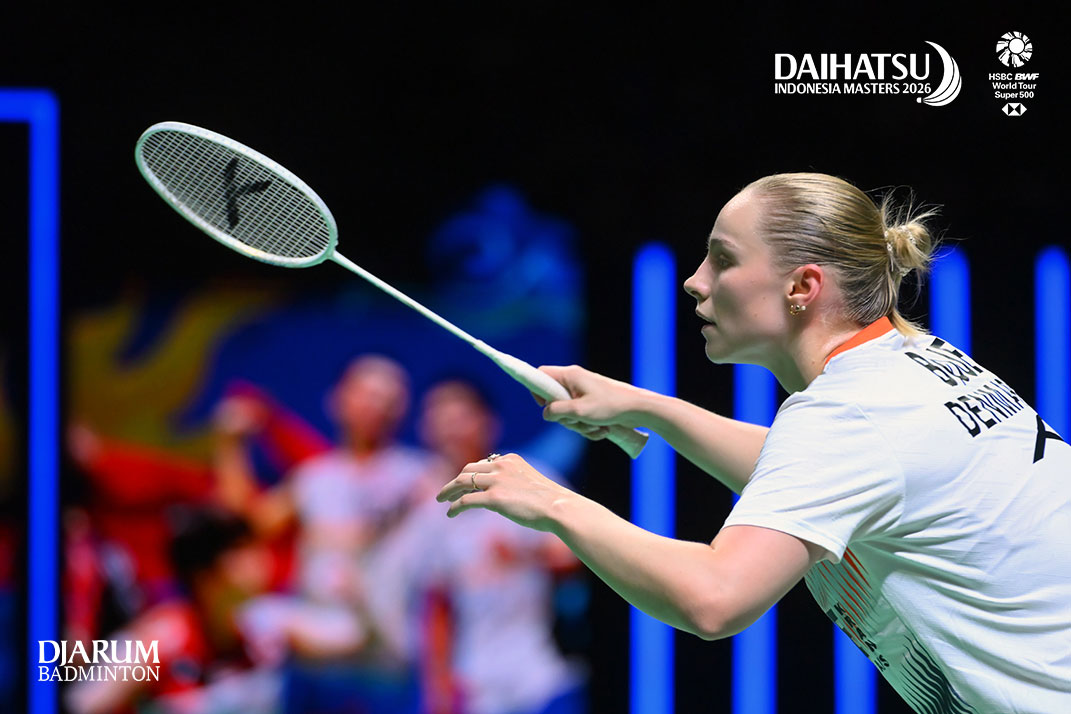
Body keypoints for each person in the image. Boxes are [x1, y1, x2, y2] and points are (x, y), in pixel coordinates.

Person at [436, 173, 1071, 713]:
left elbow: (713, 599)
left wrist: (551, 503)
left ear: (802, 287)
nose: (694, 281)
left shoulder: (844, 414)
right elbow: (812, 477)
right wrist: (646, 407)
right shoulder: (916, 360)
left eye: (723, 259)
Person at [214, 354, 441, 713]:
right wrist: (230, 445)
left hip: (384, 668)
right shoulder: (314, 478)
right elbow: (248, 525)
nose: (377, 406)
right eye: (367, 393)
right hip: (314, 666)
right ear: (338, 399)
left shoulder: (421, 477)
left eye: (390, 398)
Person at [404, 379, 586, 714]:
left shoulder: (531, 478)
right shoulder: (428, 509)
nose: (451, 431)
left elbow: (582, 554)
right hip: (476, 687)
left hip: (541, 674)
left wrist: (525, 554)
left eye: (460, 419)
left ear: (489, 422)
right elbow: (437, 605)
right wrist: (438, 687)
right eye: (441, 421)